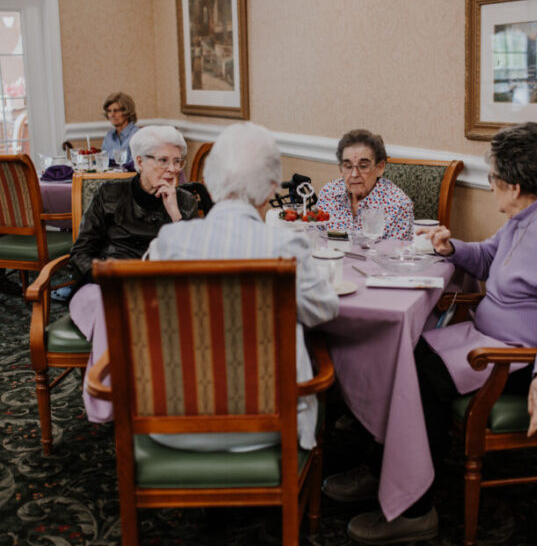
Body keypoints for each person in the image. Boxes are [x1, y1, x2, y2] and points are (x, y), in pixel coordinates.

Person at [327, 122, 537, 545]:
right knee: (398, 351)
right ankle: (383, 466)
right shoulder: (530, 214)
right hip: (495, 340)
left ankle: (415, 510)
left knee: (416, 372)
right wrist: (451, 249)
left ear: (511, 184)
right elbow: (491, 256)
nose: (490, 185)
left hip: (522, 356)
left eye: (492, 178)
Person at [146, 121, 340, 452]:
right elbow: (324, 311)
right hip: (266, 422)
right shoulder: (285, 246)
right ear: (270, 191)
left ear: (208, 182)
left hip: (173, 421)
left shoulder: (169, 242)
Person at [70, 125, 198, 422]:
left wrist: (176, 215)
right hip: (103, 285)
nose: (172, 170)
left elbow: (196, 263)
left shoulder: (186, 203)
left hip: (160, 292)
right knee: (111, 306)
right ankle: (108, 401)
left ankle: (162, 400)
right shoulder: (110, 194)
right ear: (139, 162)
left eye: (178, 161)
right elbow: (80, 253)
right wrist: (110, 277)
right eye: (163, 160)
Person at [317, 129, 413, 240]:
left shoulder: (399, 205)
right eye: (348, 166)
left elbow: (395, 254)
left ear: (380, 168)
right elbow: (317, 241)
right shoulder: (328, 193)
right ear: (340, 170)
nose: (354, 174)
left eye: (363, 166)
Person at [100, 91, 139, 165]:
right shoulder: (109, 136)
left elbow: (135, 169)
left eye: (116, 110)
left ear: (127, 112)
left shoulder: (136, 135)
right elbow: (102, 163)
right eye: (109, 111)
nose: (112, 115)